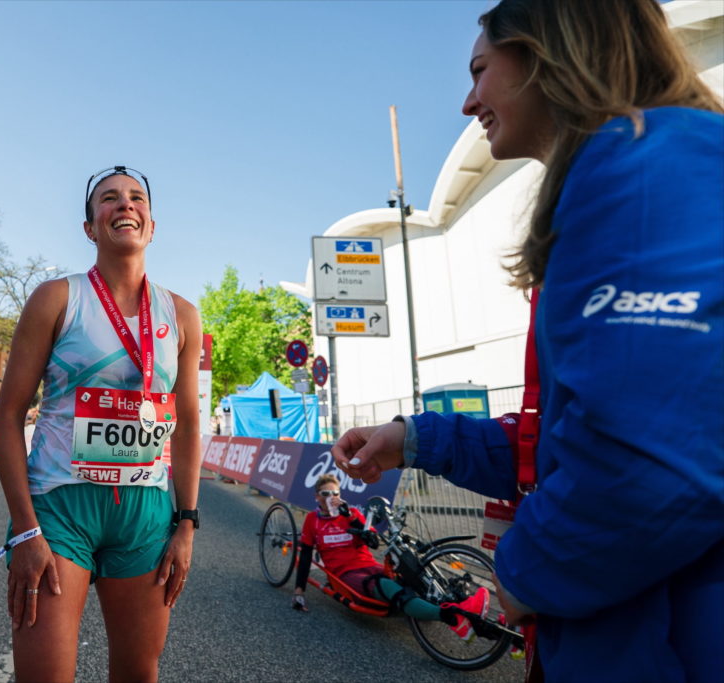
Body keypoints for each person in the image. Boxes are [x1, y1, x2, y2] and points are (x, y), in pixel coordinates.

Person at [333, 2, 723, 681]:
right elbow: (561, 438)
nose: (466, 101)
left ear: (545, 52)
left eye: (480, 70)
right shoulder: (635, 170)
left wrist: (528, 572)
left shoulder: (644, 167)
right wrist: (412, 437)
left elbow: (656, 463)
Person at [0, 166, 202, 683]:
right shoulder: (56, 298)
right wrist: (25, 532)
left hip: (147, 512)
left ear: (151, 224)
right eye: (109, 199)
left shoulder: (182, 315)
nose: (125, 205)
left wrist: (187, 524)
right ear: (90, 227)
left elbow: (190, 425)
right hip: (61, 506)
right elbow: (8, 415)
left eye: (136, 199)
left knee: (138, 673)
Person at [291, 475, 489, 639]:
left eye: (336, 493)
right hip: (345, 573)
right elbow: (306, 555)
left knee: (411, 578)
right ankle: (452, 617)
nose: (331, 497)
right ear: (317, 497)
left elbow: (374, 543)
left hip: (367, 563)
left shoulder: (351, 513)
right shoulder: (312, 520)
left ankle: (473, 612)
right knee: (386, 586)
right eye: (326, 494)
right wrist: (299, 591)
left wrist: (350, 517)